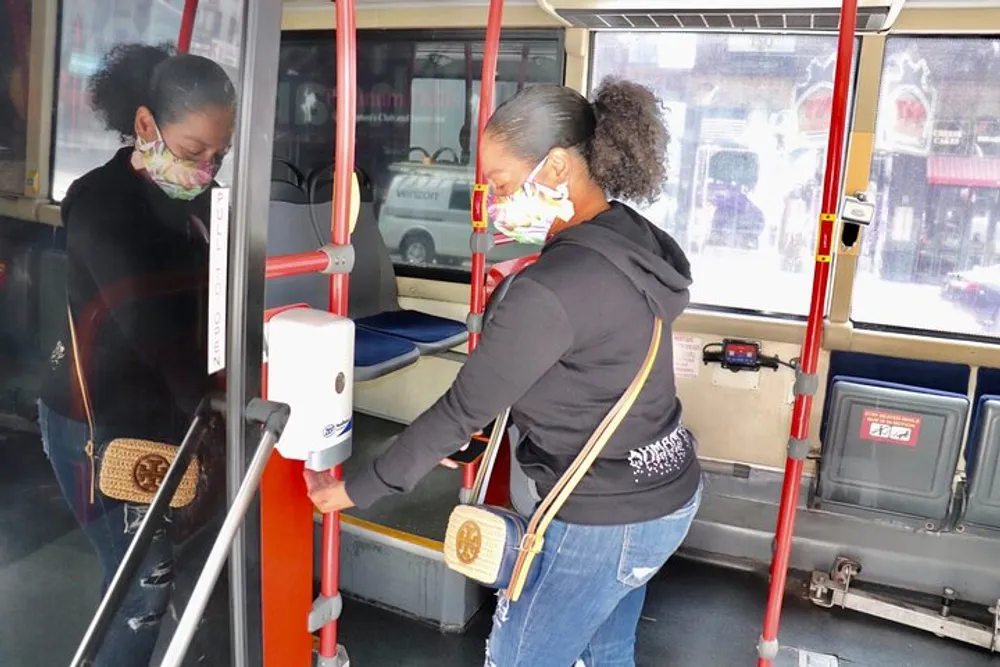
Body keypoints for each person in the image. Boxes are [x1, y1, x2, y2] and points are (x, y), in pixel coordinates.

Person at [306, 77, 702, 667]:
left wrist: (351, 489)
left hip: (603, 519)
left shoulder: (549, 287)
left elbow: (462, 408)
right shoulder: (633, 242)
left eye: (502, 184)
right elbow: (587, 370)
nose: (492, 204)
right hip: (667, 491)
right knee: (606, 649)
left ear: (560, 166)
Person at [37, 43, 235, 667]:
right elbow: (149, 320)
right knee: (144, 585)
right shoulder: (100, 201)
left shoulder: (206, 201)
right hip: (95, 420)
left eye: (219, 155)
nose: (206, 168)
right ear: (146, 125)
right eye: (192, 150)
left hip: (172, 413)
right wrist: (217, 401)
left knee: (140, 573)